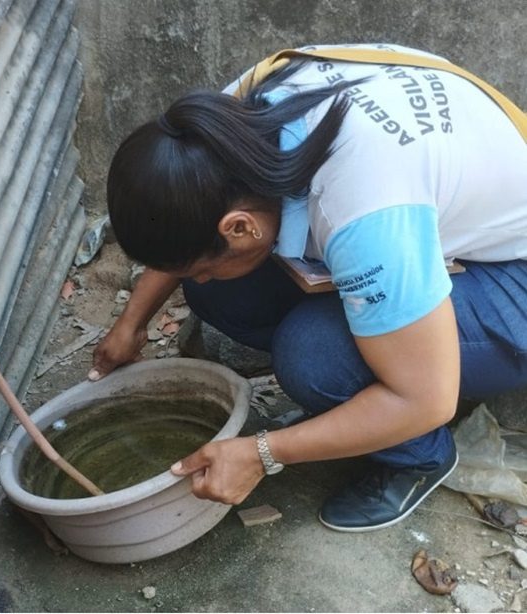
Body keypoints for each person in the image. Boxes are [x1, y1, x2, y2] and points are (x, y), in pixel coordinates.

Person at [88, 43, 527, 532]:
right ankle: (367, 380)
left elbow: (429, 399)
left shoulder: (363, 208)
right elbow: (187, 216)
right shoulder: (229, 119)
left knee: (314, 357)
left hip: (513, 277)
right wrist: (132, 323)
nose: (198, 276)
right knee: (218, 291)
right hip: (445, 219)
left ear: (239, 228)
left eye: (202, 264)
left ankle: (421, 456)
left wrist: (262, 453)